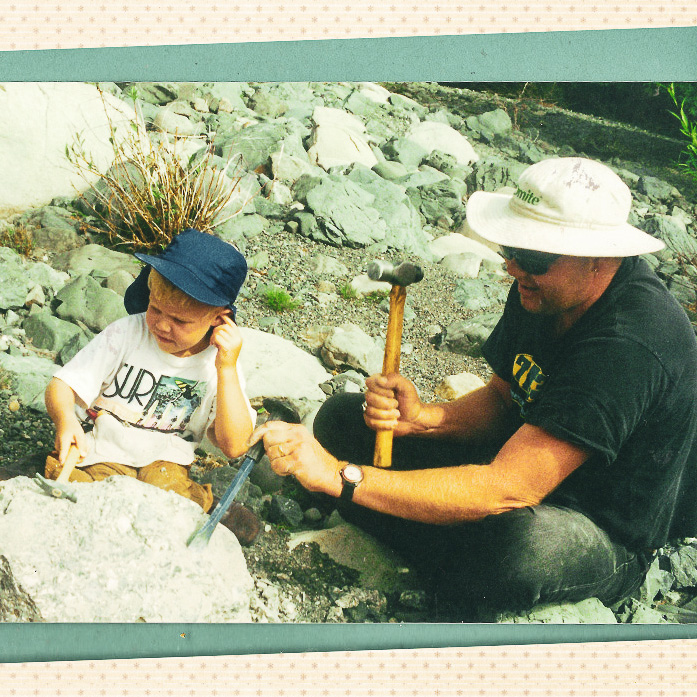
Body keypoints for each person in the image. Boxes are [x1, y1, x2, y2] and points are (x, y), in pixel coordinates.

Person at [248, 157, 697, 616]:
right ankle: (445, 549)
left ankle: (443, 554)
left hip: (596, 525)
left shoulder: (630, 344)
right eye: (511, 249)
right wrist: (422, 421)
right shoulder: (539, 287)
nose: (513, 267)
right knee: (342, 419)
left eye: (535, 256)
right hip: (513, 460)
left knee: (518, 546)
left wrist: (339, 478)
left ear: (599, 258)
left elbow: (507, 489)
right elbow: (504, 399)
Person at [44, 228, 260, 544]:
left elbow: (235, 445)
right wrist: (65, 421)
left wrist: (226, 368)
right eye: (155, 307)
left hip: (164, 463)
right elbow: (61, 386)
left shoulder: (220, 362)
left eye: (180, 321)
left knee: (168, 503)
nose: (161, 324)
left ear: (219, 318)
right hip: (103, 452)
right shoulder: (127, 334)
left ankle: (205, 501)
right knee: (77, 496)